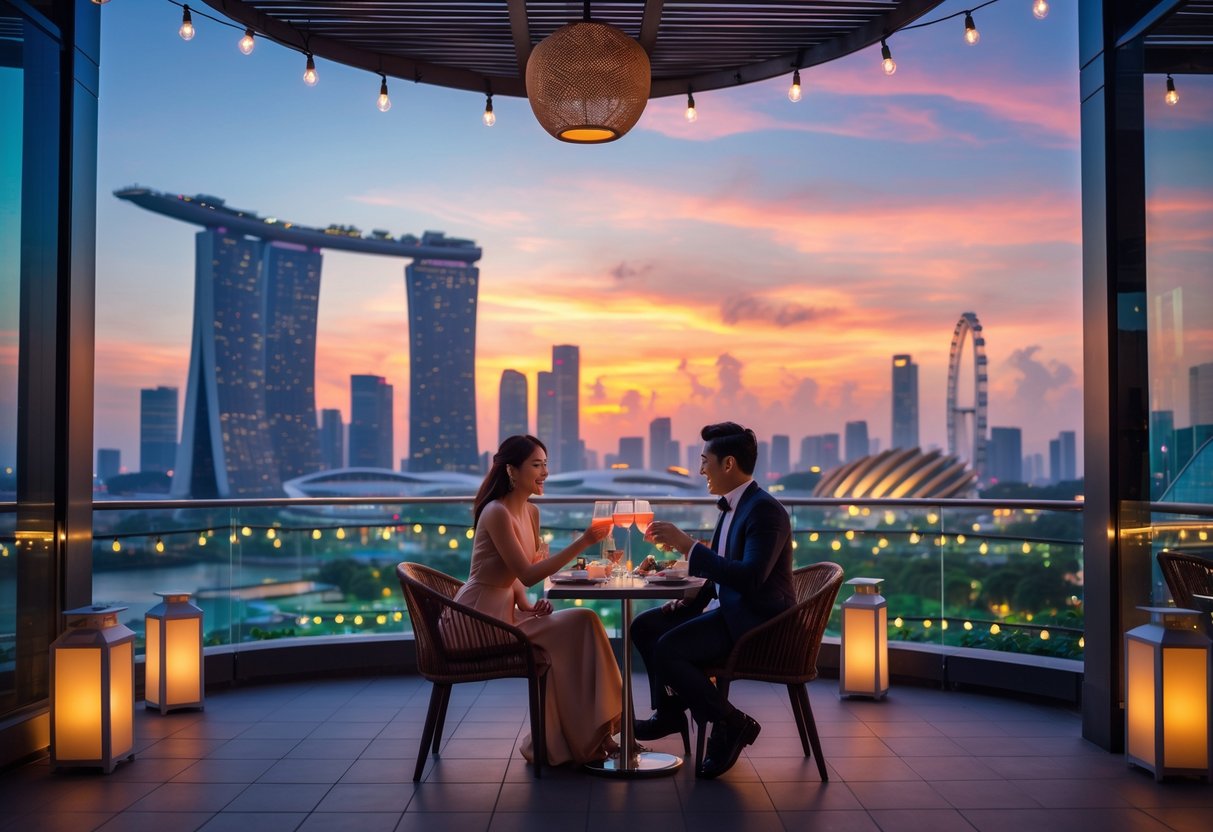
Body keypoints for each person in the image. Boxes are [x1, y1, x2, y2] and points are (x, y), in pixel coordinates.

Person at [634, 421, 794, 778]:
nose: (701, 468)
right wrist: (690, 603)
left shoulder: (765, 511)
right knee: (645, 626)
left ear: (728, 464)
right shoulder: (734, 506)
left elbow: (750, 577)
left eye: (705, 460)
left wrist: (687, 545)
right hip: (730, 609)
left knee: (668, 649)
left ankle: (731, 722)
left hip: (757, 621)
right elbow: (723, 570)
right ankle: (669, 713)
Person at [450, 434, 621, 767]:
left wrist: (526, 606)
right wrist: (584, 540)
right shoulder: (496, 512)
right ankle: (586, 737)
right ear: (512, 471)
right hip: (479, 618)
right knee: (575, 629)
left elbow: (513, 576)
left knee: (584, 620)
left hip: (507, 614)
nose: (544, 473)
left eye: (546, 465)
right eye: (537, 465)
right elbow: (527, 573)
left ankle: (597, 732)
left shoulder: (530, 513)